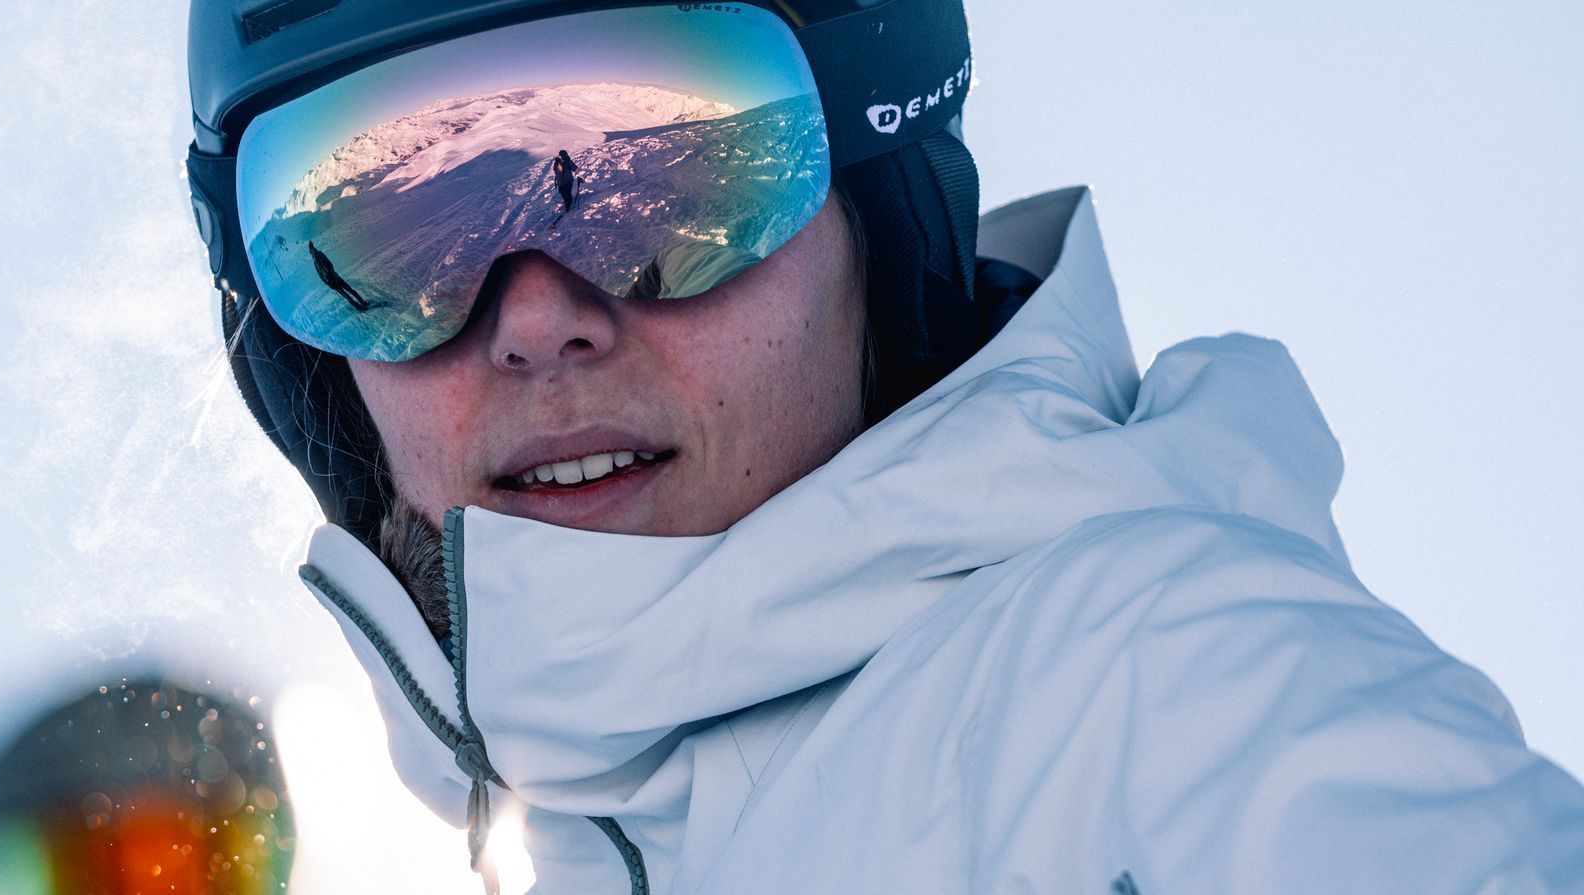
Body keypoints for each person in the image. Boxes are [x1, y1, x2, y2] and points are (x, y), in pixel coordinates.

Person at [182, 2, 1584, 893]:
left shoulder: (1159, 682)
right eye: (397, 242)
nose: (538, 320)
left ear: (882, 222)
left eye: (662, 181)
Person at [307, 240, 369, 311]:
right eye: (312, 250)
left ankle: (361, 303)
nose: (313, 252)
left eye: (312, 250)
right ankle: (359, 305)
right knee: (347, 293)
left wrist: (331, 278)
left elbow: (328, 267)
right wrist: (330, 282)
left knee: (348, 292)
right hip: (333, 280)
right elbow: (323, 274)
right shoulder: (317, 260)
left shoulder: (319, 256)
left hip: (334, 279)